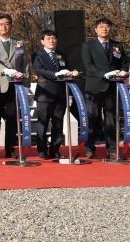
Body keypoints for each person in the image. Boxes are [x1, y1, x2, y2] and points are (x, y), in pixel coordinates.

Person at [81, 17, 129, 159]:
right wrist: (104, 74)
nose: (104, 29)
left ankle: (112, 148)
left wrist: (124, 70)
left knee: (111, 120)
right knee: (92, 118)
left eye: (107, 26)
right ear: (96, 29)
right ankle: (89, 148)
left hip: (113, 88)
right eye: (101, 26)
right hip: (94, 88)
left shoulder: (118, 45)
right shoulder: (88, 45)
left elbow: (125, 62)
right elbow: (88, 65)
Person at [0, 14, 30, 159]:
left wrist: (26, 83)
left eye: (6, 24)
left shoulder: (19, 43)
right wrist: (6, 70)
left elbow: (25, 63)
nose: (3, 27)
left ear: (11, 26)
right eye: (0, 24)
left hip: (15, 86)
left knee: (12, 118)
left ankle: (10, 149)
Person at [33, 29, 78, 160]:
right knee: (43, 122)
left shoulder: (61, 54)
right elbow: (39, 70)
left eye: (53, 38)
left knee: (58, 123)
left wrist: (70, 73)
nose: (51, 41)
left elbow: (66, 69)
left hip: (61, 93)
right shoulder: (37, 54)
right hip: (45, 94)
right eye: (48, 38)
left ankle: (55, 150)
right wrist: (55, 74)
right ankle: (42, 150)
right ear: (42, 41)